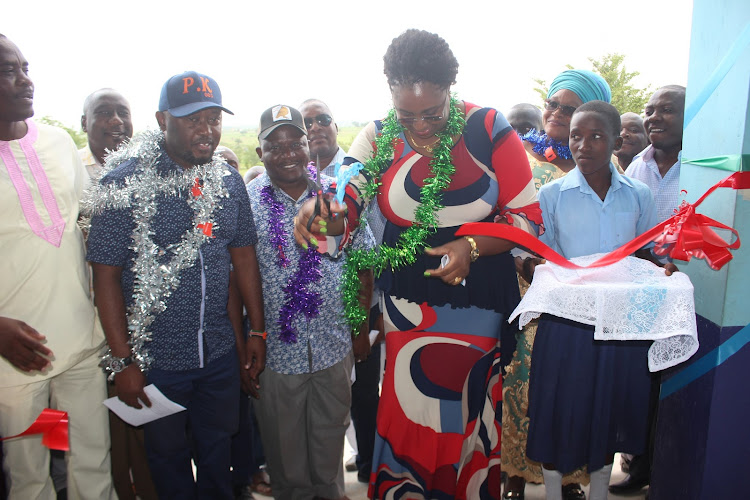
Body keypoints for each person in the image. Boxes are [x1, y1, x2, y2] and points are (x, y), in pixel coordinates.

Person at [295, 29, 542, 499]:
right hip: (408, 302)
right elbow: (348, 189)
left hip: (479, 296)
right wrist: (324, 210)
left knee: (467, 408)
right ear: (389, 94)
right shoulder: (377, 134)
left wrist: (470, 247)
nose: (419, 126)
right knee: (409, 404)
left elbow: (527, 220)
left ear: (451, 89)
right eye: (406, 114)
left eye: (432, 113)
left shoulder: (488, 128)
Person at [86, 70, 266, 499]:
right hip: (155, 361)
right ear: (162, 119)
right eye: (192, 120)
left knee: (218, 453)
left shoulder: (227, 181)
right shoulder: (124, 183)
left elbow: (243, 258)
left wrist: (256, 329)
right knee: (167, 460)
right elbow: (105, 275)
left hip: (219, 352)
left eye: (214, 119)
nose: (207, 130)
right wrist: (123, 362)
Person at [524, 101, 676, 500]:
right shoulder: (553, 195)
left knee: (608, 412)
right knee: (557, 411)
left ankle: (599, 494)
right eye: (576, 135)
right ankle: (555, 492)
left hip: (619, 326)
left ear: (615, 140)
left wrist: (665, 267)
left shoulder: (638, 195)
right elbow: (541, 256)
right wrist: (531, 266)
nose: (583, 145)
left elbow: (645, 253)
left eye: (595, 136)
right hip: (567, 325)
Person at [0, 34, 116, 499]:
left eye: (26, 67)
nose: (26, 80)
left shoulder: (58, 143)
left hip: (80, 347)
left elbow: (88, 229)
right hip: (16, 359)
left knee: (92, 460)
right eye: (10, 71)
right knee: (31, 477)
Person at [249, 104, 374, 500]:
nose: (287, 153)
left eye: (295, 143)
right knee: (287, 469)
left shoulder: (337, 195)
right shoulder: (246, 202)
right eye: (275, 145)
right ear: (260, 154)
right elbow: (236, 281)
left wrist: (359, 331)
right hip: (276, 358)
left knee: (328, 460)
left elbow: (364, 265)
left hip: (332, 348)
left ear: (309, 146)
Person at [503, 69, 612, 500]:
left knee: (572, 389)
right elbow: (505, 222)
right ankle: (514, 471)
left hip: (583, 302)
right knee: (521, 381)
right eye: (552, 103)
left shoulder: (605, 167)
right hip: (526, 294)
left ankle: (568, 476)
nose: (555, 114)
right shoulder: (522, 160)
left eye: (569, 108)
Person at [301, 97, 383, 484]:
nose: (315, 126)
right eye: (307, 122)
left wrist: (366, 314)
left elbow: (369, 244)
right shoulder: (289, 176)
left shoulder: (357, 173)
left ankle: (369, 463)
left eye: (323, 119)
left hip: (362, 302)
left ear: (336, 128)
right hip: (308, 317)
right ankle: (340, 462)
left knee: (366, 392)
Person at [612, 85, 686, 497]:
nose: (654, 117)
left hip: (683, 290)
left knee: (673, 380)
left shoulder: (701, 167)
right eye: (650, 109)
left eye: (667, 110)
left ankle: (667, 465)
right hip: (638, 286)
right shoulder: (634, 167)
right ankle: (639, 465)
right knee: (642, 380)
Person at [80, 88, 133, 177]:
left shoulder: (146, 166)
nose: (117, 120)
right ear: (84, 123)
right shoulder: (70, 166)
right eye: (104, 112)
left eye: (123, 113)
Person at [299, 98, 345, 175]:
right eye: (306, 124)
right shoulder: (290, 174)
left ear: (336, 128)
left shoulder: (357, 169)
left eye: (323, 120)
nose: (315, 128)